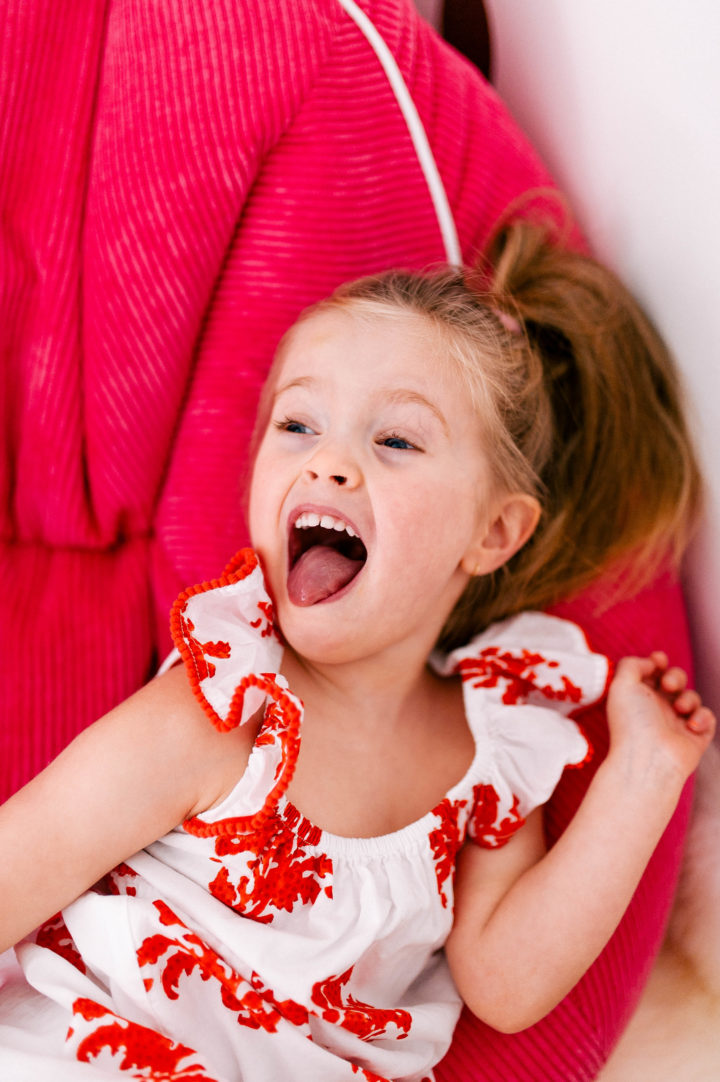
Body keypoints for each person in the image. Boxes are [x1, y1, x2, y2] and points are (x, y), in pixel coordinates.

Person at [0, 220, 713, 1082]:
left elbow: (509, 983)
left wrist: (641, 781)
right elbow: (21, 863)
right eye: (298, 424)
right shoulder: (225, 707)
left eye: (397, 441)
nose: (330, 463)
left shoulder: (491, 751)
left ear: (492, 531)